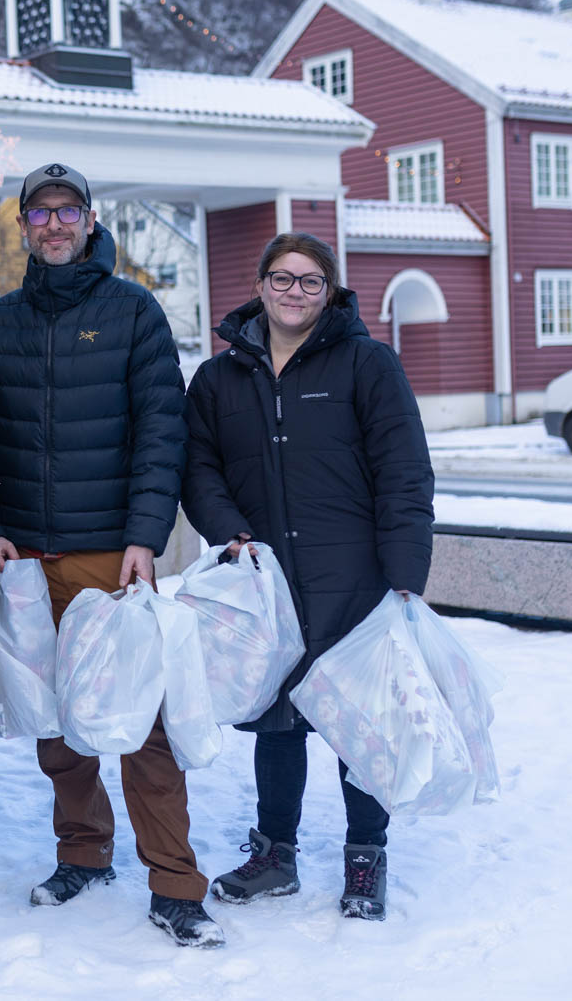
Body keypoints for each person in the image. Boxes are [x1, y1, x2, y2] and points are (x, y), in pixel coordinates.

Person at [0, 162, 222, 948]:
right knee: (55, 725)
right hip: (27, 560)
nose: (56, 225)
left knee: (142, 722)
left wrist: (145, 535)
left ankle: (175, 882)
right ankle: (83, 853)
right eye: (41, 214)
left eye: (68, 211)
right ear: (24, 227)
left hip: (113, 555)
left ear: (91, 219)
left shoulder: (133, 310)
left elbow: (161, 431)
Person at [183, 231, 434, 921]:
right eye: (282, 278)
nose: (295, 291)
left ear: (331, 291)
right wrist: (229, 529)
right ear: (260, 284)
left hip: (354, 577)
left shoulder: (368, 365)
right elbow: (198, 468)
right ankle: (275, 854)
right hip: (268, 581)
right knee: (277, 721)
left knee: (361, 725)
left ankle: (365, 856)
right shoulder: (218, 378)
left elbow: (404, 470)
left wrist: (406, 568)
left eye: (310, 281)